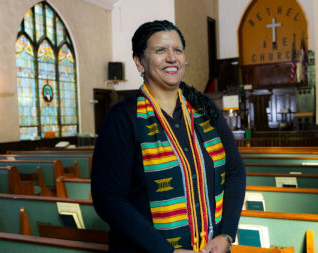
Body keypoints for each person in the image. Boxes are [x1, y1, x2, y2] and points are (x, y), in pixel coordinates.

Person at [91, 20, 246, 253]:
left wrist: (226, 234)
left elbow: (234, 171)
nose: (172, 58)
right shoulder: (122, 119)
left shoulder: (205, 109)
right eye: (160, 50)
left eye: (178, 50)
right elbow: (108, 198)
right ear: (139, 61)